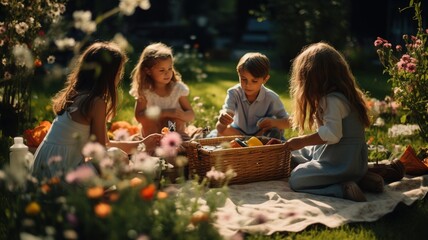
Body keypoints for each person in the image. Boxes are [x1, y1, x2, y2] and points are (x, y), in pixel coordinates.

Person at [31, 42, 162, 180]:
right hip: (60, 175)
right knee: (118, 158)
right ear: (108, 75)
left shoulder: (77, 95)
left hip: (44, 168)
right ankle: (127, 191)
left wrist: (143, 144)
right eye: (118, 73)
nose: (119, 78)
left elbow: (105, 143)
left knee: (117, 156)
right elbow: (100, 152)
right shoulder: (96, 102)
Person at [285, 42, 384, 202]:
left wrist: (303, 141)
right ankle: (361, 181)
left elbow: (332, 135)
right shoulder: (344, 97)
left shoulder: (331, 100)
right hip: (353, 163)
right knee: (296, 154)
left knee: (297, 179)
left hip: (340, 163)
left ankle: (341, 189)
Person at [215, 52, 290, 139]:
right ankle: (245, 143)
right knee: (221, 129)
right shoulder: (234, 93)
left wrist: (274, 122)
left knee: (274, 132)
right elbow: (223, 122)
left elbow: (289, 122)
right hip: (238, 133)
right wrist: (223, 119)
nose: (248, 85)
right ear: (238, 75)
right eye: (243, 79)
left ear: (265, 79)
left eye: (254, 81)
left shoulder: (271, 97)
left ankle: (251, 144)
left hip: (260, 135)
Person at [129, 42, 195, 140]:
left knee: (175, 120)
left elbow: (191, 114)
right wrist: (164, 112)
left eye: (169, 68)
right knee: (150, 121)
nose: (167, 73)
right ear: (148, 71)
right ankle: (155, 144)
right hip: (153, 133)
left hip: (174, 131)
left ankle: (175, 141)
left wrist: (182, 115)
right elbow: (139, 116)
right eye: (161, 70)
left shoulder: (177, 89)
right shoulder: (145, 91)